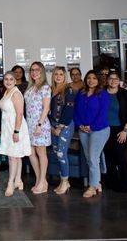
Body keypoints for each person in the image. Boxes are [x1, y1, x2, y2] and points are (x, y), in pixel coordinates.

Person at [74, 70, 110, 198]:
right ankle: (97, 182)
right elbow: (76, 111)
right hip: (83, 130)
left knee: (93, 158)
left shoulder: (103, 94)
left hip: (99, 130)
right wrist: (80, 125)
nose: (91, 80)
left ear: (99, 80)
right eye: (89, 78)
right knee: (90, 157)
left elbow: (103, 114)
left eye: (94, 78)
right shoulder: (81, 93)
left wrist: (92, 127)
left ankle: (92, 186)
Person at [0, 71, 31, 197]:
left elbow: (20, 114)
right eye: (6, 79)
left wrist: (16, 131)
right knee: (16, 156)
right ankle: (18, 180)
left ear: (15, 81)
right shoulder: (6, 91)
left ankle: (10, 183)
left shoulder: (16, 93)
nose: (8, 81)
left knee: (13, 157)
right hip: (7, 126)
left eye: (11, 79)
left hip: (15, 127)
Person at [103, 71, 127, 193]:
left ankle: (125, 183)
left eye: (115, 78)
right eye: (110, 78)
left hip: (120, 130)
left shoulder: (125, 94)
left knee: (120, 157)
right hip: (104, 130)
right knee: (108, 157)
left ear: (119, 80)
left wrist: (125, 131)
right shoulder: (101, 93)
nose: (113, 81)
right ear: (107, 80)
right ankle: (112, 182)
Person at [48, 66, 76, 194]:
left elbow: (69, 110)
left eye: (61, 74)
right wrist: (51, 126)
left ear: (65, 76)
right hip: (53, 125)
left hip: (64, 126)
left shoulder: (68, 90)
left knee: (61, 154)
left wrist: (59, 127)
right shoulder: (51, 90)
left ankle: (65, 181)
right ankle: (63, 180)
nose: (58, 77)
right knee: (55, 153)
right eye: (56, 74)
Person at [24, 62, 51, 194]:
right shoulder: (30, 88)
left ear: (42, 71)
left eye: (37, 70)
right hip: (29, 125)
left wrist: (39, 125)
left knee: (41, 152)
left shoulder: (45, 87)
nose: (34, 72)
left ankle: (42, 182)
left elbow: (46, 108)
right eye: (32, 70)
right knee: (30, 152)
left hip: (40, 125)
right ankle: (40, 180)